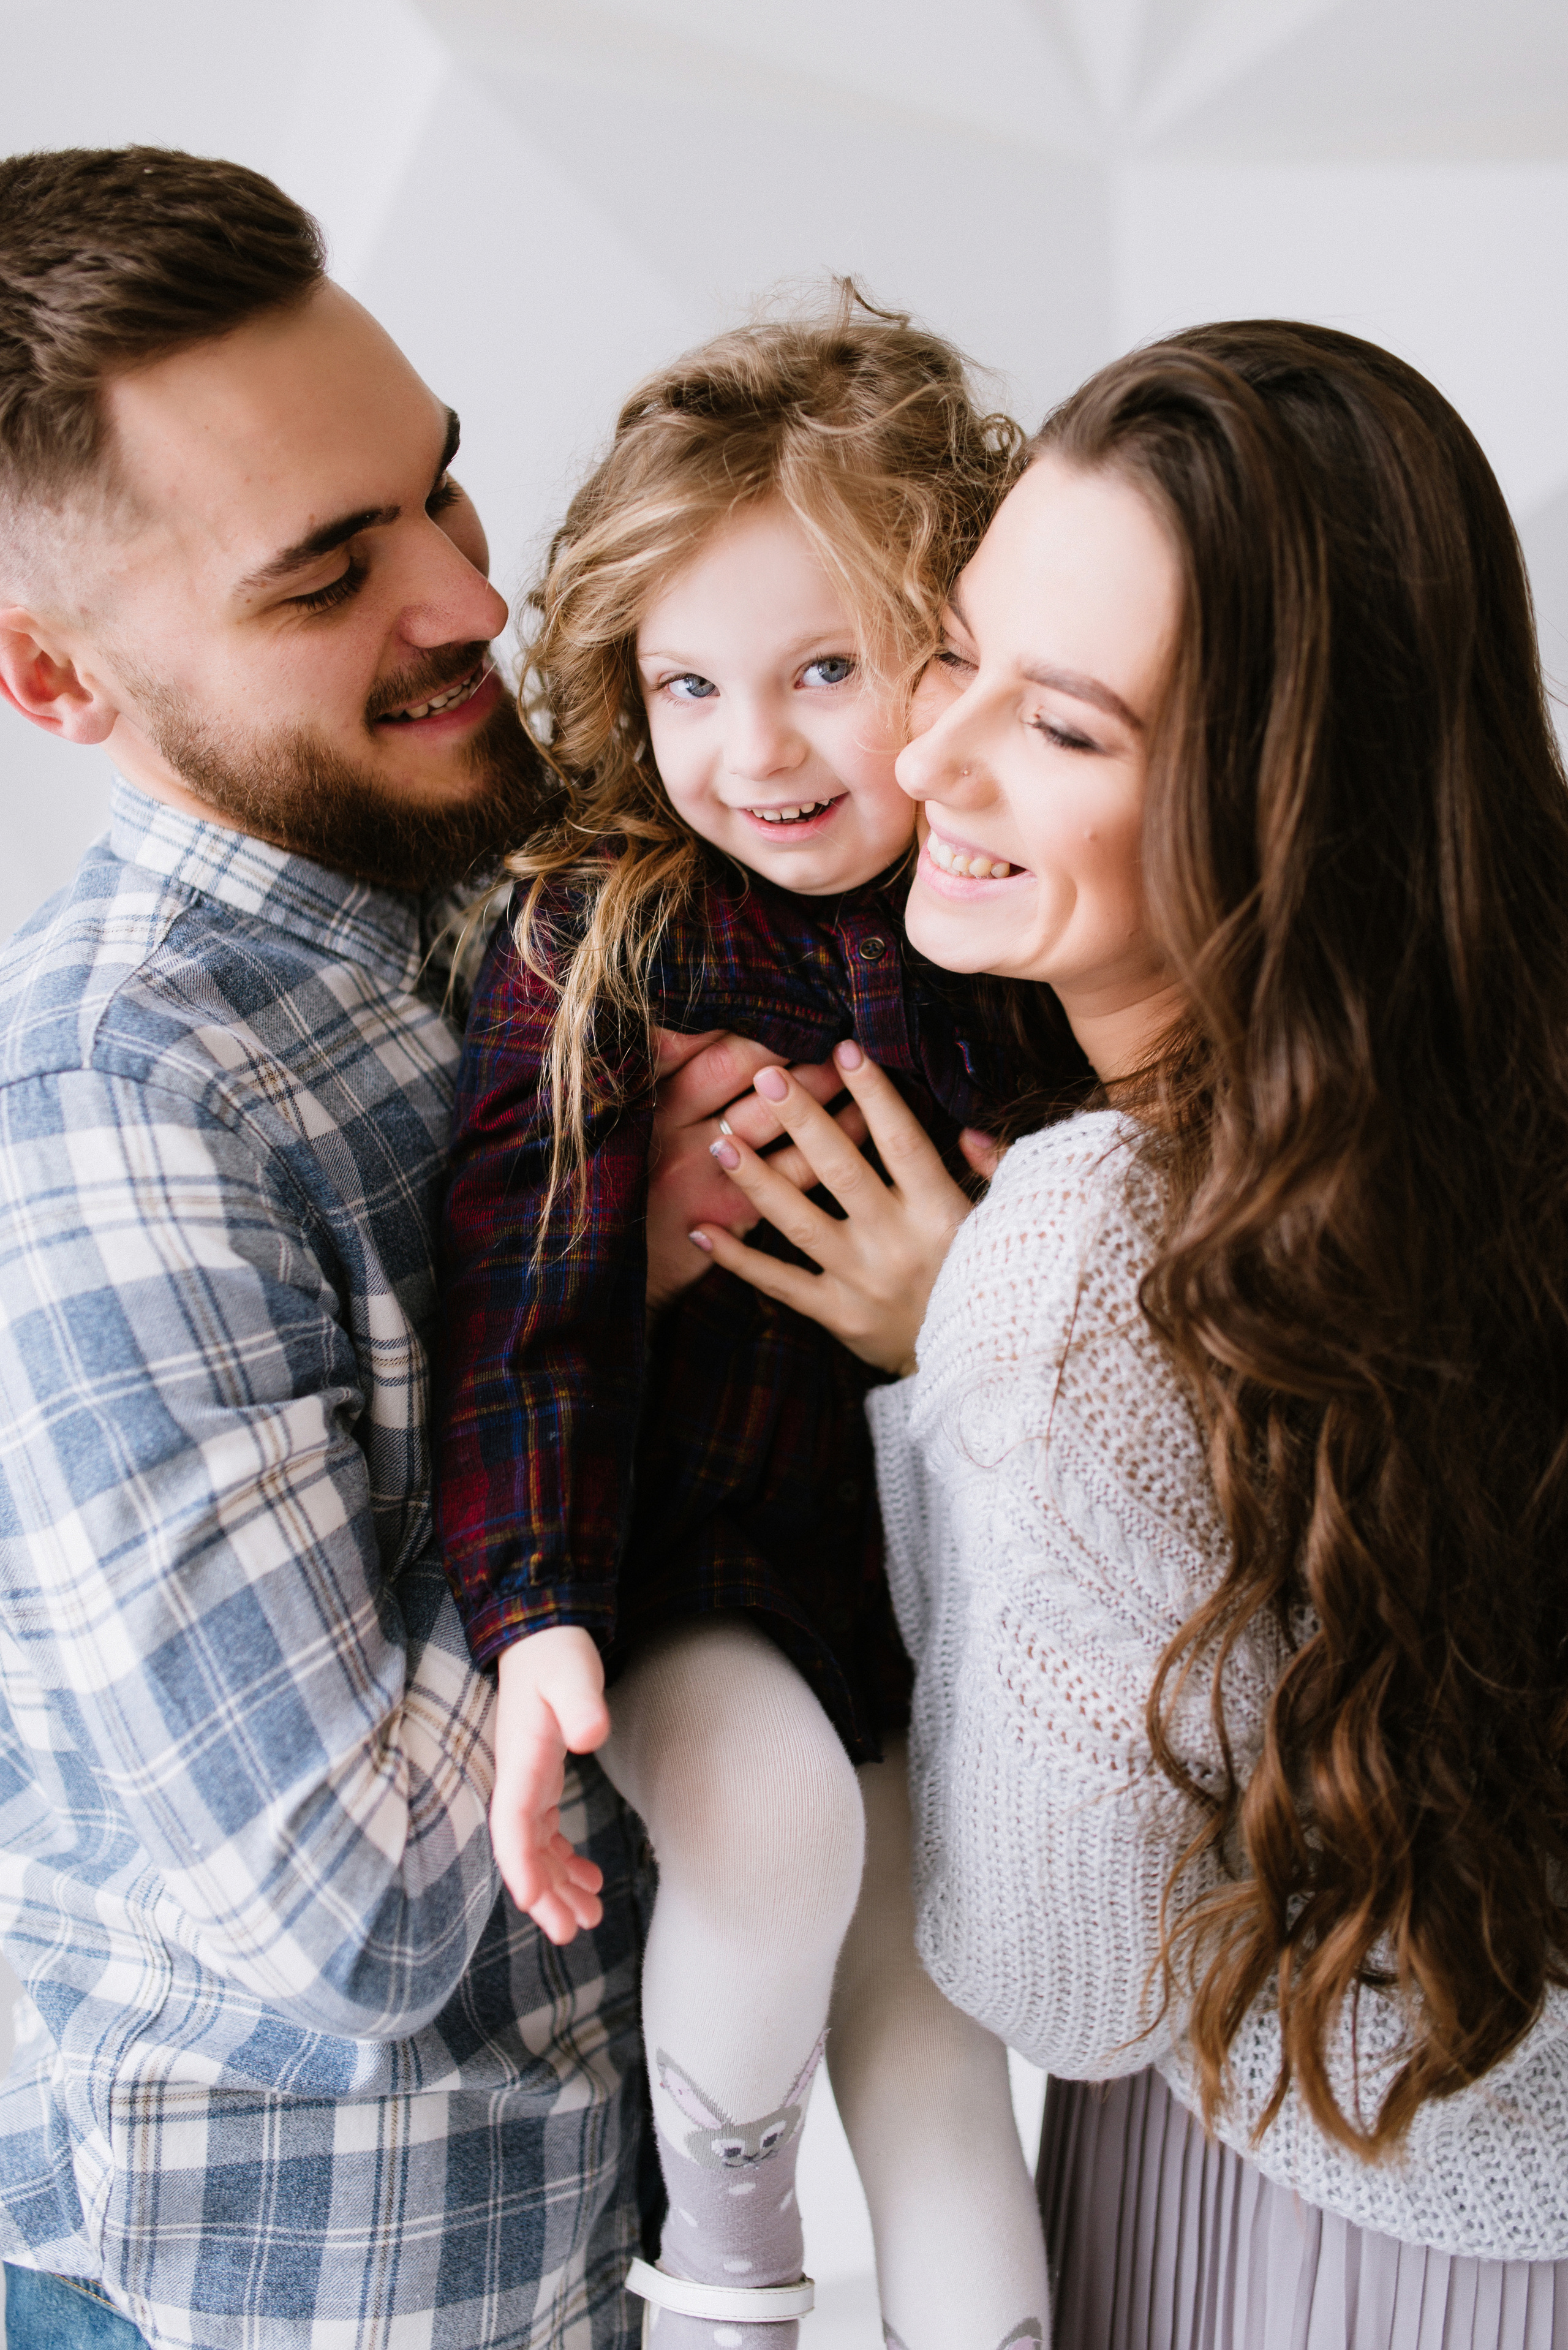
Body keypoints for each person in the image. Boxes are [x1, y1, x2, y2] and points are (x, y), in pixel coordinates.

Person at [0, 143, 817, 2350]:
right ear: (52, 676)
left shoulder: (498, 907)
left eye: (440, 490)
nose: (468, 596)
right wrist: (599, 1292)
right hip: (296, 2297)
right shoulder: (123, 1103)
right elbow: (351, 1901)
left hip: (574, 2226)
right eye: (327, 573)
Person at [685, 320, 1568, 2346]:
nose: (928, 757)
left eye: (1063, 729)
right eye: (956, 649)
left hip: (1296, 2233)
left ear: (1286, 798)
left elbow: (1054, 1968)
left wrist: (964, 1379)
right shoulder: (1502, 1078)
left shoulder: (1081, 1248)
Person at [435, 298, 1071, 2350]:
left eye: (822, 671)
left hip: (938, 1606)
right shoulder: (609, 928)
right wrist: (536, 1613)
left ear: (960, 663)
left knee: (944, 2056)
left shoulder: (1016, 927)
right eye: (688, 682)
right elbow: (524, 1291)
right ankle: (720, 2269)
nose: (756, 749)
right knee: (777, 1828)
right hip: (695, 1566)